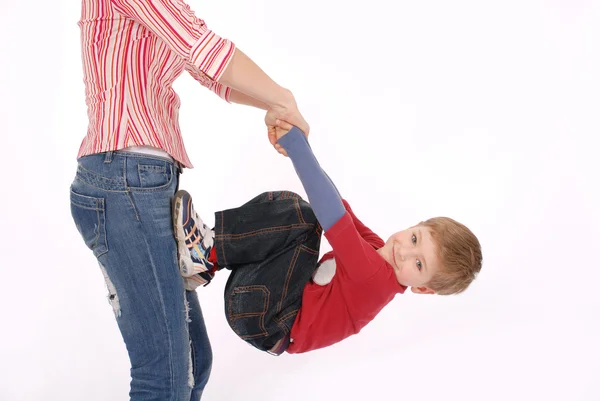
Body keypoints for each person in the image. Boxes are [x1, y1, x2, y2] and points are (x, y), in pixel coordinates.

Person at [69, 0, 308, 399]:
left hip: (140, 183)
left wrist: (272, 105)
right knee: (164, 376)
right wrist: (283, 98)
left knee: (194, 365)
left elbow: (206, 71)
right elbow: (204, 47)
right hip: (124, 180)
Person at [172, 119, 483, 356]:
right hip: (266, 307)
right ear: (416, 225)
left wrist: (296, 146)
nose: (404, 252)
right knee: (287, 204)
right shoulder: (379, 250)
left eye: (418, 264)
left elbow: (330, 215)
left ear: (423, 288)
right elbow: (337, 202)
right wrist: (304, 147)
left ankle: (208, 253)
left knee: (305, 219)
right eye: (414, 239)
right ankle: (204, 264)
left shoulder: (375, 279)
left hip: (267, 318)